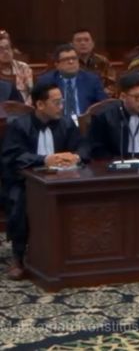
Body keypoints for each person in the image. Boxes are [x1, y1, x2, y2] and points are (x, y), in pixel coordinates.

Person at [1, 82, 89, 280]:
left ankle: (76, 254)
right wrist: (44, 160)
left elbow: (84, 147)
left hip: (63, 180)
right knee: (19, 202)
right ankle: (18, 257)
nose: (61, 107)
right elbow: (12, 157)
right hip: (25, 183)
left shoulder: (66, 124)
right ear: (40, 105)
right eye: (56, 103)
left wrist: (76, 157)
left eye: (62, 102)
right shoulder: (20, 126)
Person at [38, 44, 107, 117]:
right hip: (57, 122)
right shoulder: (46, 81)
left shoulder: (92, 79)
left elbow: (103, 105)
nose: (71, 62)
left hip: (85, 121)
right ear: (57, 64)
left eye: (74, 58)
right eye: (66, 59)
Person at [0, 35, 33, 104]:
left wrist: (25, 107)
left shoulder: (23, 67)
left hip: (23, 107)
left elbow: (32, 92)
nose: (6, 52)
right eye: (1, 49)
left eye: (7, 48)